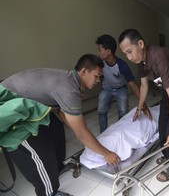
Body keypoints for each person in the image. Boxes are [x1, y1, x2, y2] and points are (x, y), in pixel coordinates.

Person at [0, 54, 120, 196]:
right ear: (84, 71)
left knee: (56, 128)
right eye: (97, 76)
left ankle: (56, 168)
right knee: (42, 151)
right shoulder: (68, 89)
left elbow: (63, 114)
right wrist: (106, 153)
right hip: (10, 111)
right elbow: (81, 133)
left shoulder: (69, 78)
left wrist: (81, 132)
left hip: (27, 107)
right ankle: (48, 192)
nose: (98, 81)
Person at [118, 29, 169, 182]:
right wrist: (140, 107)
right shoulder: (140, 61)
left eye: (129, 51)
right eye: (125, 54)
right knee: (162, 128)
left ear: (140, 44)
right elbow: (143, 86)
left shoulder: (159, 57)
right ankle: (168, 156)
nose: (129, 57)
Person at [96, 34, 148, 133]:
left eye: (100, 50)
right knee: (101, 110)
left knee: (123, 111)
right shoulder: (100, 63)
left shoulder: (122, 65)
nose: (98, 53)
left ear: (108, 51)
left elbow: (133, 85)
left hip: (120, 88)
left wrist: (143, 106)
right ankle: (103, 134)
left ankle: (120, 132)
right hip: (107, 88)